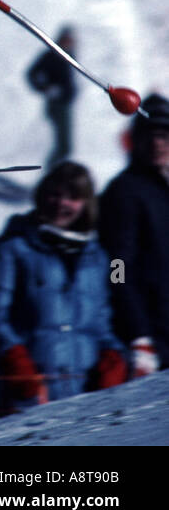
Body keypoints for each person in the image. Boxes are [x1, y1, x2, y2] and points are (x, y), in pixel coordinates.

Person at [0, 162, 125, 415]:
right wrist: (17, 363)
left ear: (86, 203)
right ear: (41, 195)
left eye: (73, 197)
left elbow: (100, 324)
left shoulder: (99, 257)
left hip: (86, 395)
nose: (61, 203)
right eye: (54, 194)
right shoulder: (9, 249)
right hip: (30, 395)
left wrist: (114, 355)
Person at [99, 93, 169, 377]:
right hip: (151, 338)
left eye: (164, 135)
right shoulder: (124, 191)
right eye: (149, 136)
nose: (157, 143)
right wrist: (138, 335)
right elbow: (117, 267)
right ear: (135, 141)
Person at [26, 27, 78, 168]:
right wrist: (45, 88)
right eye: (66, 40)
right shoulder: (51, 56)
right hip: (57, 105)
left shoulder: (69, 55)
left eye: (71, 40)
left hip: (65, 104)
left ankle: (54, 172)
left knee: (65, 147)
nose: (69, 43)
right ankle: (51, 173)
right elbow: (31, 73)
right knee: (64, 146)